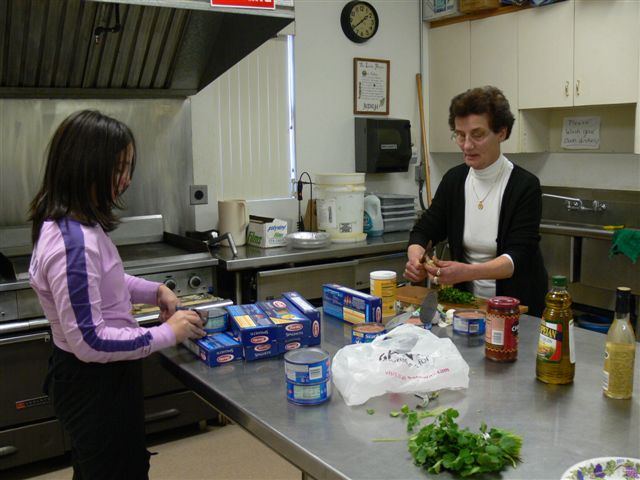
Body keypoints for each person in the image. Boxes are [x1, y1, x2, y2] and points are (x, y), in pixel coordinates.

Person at [28, 110, 206, 480]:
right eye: (118, 168)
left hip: (102, 377)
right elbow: (90, 341)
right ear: (85, 165)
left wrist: (154, 291)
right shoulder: (72, 244)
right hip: (93, 382)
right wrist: (166, 333)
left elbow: (107, 281)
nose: (126, 180)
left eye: (128, 168)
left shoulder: (79, 225)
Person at [404, 86, 548, 316]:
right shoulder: (454, 180)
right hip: (468, 306)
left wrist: (466, 272)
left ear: (501, 133)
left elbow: (517, 258)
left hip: (517, 308)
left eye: (477, 135)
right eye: (460, 135)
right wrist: (416, 259)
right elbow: (424, 230)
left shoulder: (524, 186)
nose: (467, 145)